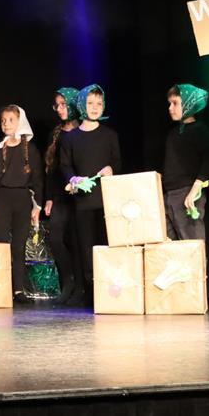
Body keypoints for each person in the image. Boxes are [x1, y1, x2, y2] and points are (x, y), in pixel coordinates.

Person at [60, 84, 122, 307]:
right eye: (90, 103)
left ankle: (111, 292)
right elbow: (65, 165)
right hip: (83, 202)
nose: (95, 107)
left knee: (106, 246)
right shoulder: (71, 138)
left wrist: (111, 169)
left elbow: (117, 163)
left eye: (99, 103)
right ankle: (92, 293)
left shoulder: (110, 135)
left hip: (106, 201)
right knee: (86, 250)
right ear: (81, 104)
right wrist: (73, 179)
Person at [0, 105, 44, 304]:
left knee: (18, 246)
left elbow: (38, 180)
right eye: (3, 120)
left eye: (11, 120)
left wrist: (37, 206)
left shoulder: (30, 150)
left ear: (20, 122)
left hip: (22, 200)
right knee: (0, 244)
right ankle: (0, 288)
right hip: (1, 199)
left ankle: (18, 290)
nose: (6, 124)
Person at [43, 87, 82, 304]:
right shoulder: (55, 134)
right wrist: (48, 197)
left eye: (63, 104)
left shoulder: (82, 131)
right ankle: (68, 281)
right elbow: (50, 169)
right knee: (56, 239)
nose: (59, 109)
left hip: (78, 195)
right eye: (56, 105)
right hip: (59, 195)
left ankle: (80, 287)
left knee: (76, 241)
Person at [163, 84, 209, 241]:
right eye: (170, 104)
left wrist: (194, 191)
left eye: (175, 103)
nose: (170, 108)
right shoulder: (172, 134)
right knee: (170, 247)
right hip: (169, 195)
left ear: (188, 104)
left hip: (187, 193)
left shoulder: (199, 130)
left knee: (192, 245)